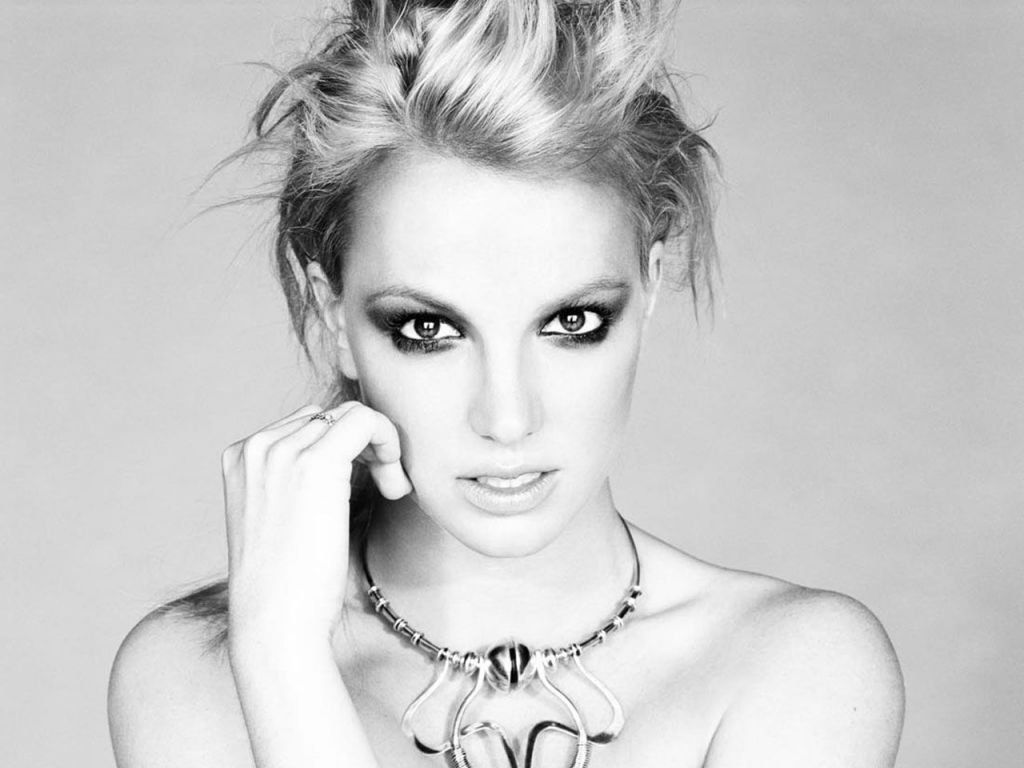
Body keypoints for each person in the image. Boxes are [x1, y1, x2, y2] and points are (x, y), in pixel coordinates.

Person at [107, 1, 905, 766]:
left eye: (572, 322)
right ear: (331, 315)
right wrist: (281, 657)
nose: (508, 417)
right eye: (429, 329)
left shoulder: (795, 664)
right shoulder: (192, 677)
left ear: (650, 287)